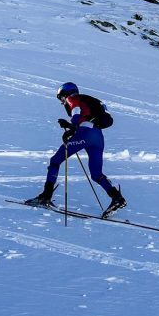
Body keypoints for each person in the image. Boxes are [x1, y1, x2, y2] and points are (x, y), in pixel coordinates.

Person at [26, 82, 126, 217]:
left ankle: (45, 197)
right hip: (98, 136)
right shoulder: (91, 100)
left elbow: (76, 113)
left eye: (61, 98)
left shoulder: (73, 98)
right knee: (96, 174)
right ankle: (117, 198)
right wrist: (71, 127)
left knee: (55, 161)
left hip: (86, 133)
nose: (62, 102)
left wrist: (71, 127)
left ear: (66, 93)